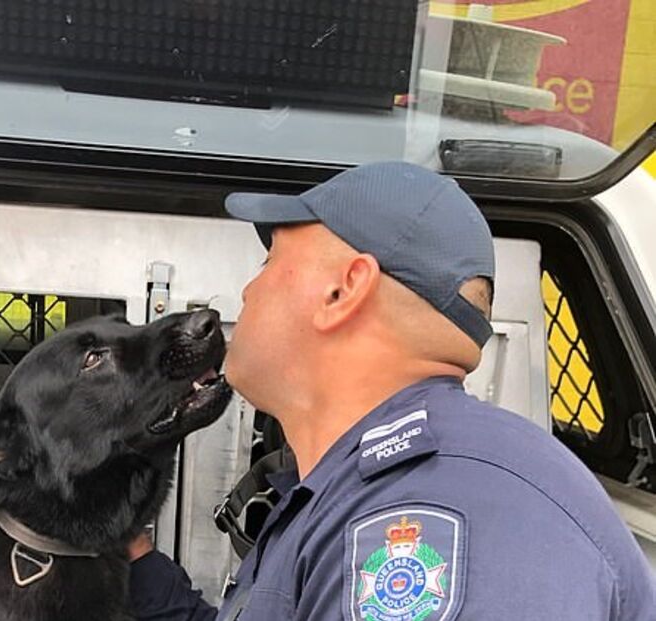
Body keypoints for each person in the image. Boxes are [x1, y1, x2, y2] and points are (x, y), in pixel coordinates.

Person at [127, 161, 656, 621]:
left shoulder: (441, 517)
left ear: (344, 289)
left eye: (269, 263)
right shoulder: (369, 485)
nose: (248, 289)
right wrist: (134, 558)